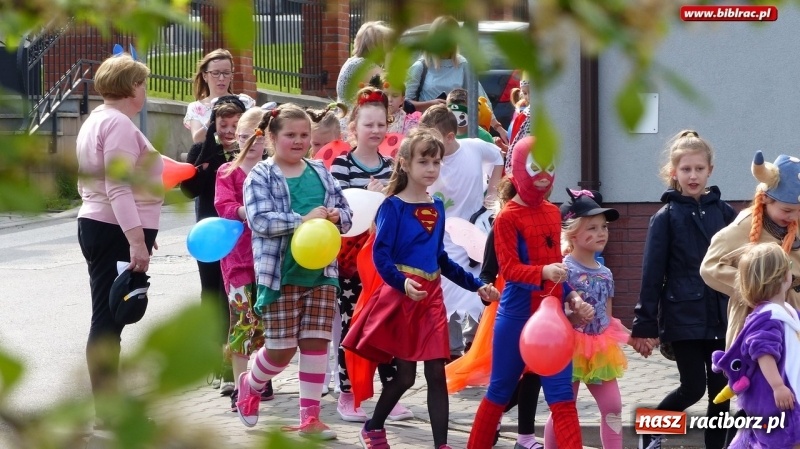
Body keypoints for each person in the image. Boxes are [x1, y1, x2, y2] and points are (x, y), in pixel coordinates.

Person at [341, 127, 499, 449]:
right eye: (423, 162)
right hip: (403, 299)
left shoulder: (436, 205)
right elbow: (381, 256)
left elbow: (440, 258)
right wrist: (402, 283)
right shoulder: (393, 207)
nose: (431, 168)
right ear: (405, 164)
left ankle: (441, 445)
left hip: (431, 300)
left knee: (436, 373)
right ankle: (373, 427)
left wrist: (477, 285)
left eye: (436, 162)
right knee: (405, 377)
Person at [234, 104, 352, 440]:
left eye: (304, 135)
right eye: (290, 135)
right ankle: (251, 382)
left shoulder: (321, 171)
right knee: (281, 350)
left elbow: (346, 213)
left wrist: (336, 216)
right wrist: (303, 220)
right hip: (280, 274)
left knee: (316, 343)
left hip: (321, 273)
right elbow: (260, 221)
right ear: (272, 137)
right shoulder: (261, 175)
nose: (299, 141)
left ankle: (310, 419)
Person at [467, 136, 592, 449]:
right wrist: (544, 272)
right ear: (520, 168)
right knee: (499, 392)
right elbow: (509, 270)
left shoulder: (552, 213)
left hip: (551, 319)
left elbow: (556, 268)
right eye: (536, 167)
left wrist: (571, 296)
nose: (544, 175)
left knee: (562, 397)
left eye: (549, 167)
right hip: (516, 315)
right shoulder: (507, 217)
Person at [630, 130, 737, 449]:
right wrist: (645, 324)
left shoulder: (725, 213)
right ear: (674, 172)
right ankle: (651, 429)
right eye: (686, 169)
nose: (693, 176)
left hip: (721, 316)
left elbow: (741, 257)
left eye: (699, 169)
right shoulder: (665, 217)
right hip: (682, 316)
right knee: (693, 387)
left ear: (710, 171)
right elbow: (652, 274)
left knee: (721, 393)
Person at [75, 53, 163, 424]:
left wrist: (140, 230)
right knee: (108, 320)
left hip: (104, 225)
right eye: (142, 83)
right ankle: (109, 413)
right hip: (112, 229)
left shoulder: (97, 119)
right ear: (131, 87)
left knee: (109, 317)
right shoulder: (118, 124)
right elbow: (118, 187)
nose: (145, 90)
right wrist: (135, 239)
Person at [329, 86, 414, 422]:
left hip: (385, 261)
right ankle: (348, 395)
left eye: (381, 124)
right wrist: (364, 193)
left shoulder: (393, 166)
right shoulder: (340, 164)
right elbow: (339, 207)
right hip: (351, 263)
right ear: (354, 127)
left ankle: (389, 396)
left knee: (386, 326)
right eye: (368, 124)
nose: (376, 130)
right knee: (352, 327)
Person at [544, 188, 628, 449]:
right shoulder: (563, 270)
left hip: (600, 350)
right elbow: (552, 313)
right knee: (564, 407)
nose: (601, 233)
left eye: (604, 227)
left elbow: (608, 318)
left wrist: (634, 337)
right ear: (573, 234)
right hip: (568, 348)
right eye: (592, 228)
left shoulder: (606, 273)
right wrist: (573, 316)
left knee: (613, 406)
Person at [419, 104, 503, 361]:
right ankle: (450, 352)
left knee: (477, 292)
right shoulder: (429, 162)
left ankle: (473, 347)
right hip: (442, 238)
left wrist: (492, 192)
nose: (428, 147)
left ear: (449, 137)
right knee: (446, 293)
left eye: (433, 140)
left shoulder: (474, 148)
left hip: (474, 237)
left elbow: (498, 156)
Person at [181, 95, 246, 394]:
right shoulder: (203, 150)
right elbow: (188, 190)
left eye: (235, 124)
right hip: (209, 235)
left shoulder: (250, 152)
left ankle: (232, 363)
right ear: (213, 125)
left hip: (241, 235)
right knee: (212, 294)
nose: (229, 130)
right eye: (223, 124)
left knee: (233, 297)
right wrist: (205, 155)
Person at [702, 150, 800, 347]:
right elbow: (709, 268)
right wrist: (758, 285)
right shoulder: (742, 228)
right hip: (758, 323)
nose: (794, 217)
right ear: (766, 199)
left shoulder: (795, 224)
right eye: (787, 210)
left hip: (793, 316)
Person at [711, 242, 800, 448]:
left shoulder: (785, 310)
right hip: (775, 396)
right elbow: (763, 352)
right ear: (781, 276)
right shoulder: (767, 316)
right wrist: (778, 386)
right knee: (786, 440)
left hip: (786, 393)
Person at [214, 107, 271, 412]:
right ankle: (239, 386)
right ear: (236, 137)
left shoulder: (272, 172)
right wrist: (245, 212)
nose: (252, 143)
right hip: (238, 259)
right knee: (243, 321)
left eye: (258, 137)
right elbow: (223, 204)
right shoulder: (227, 172)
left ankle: (260, 378)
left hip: (269, 259)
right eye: (246, 136)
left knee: (268, 320)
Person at [184, 49, 255, 143]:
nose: (221, 78)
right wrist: (214, 117)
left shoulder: (244, 102)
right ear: (205, 76)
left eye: (226, 73)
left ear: (231, 75)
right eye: (215, 73)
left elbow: (254, 134)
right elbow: (197, 140)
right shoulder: (195, 107)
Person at [336, 21, 393, 106]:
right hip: (359, 113)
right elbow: (387, 97)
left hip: (343, 111)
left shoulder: (350, 61)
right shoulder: (371, 69)